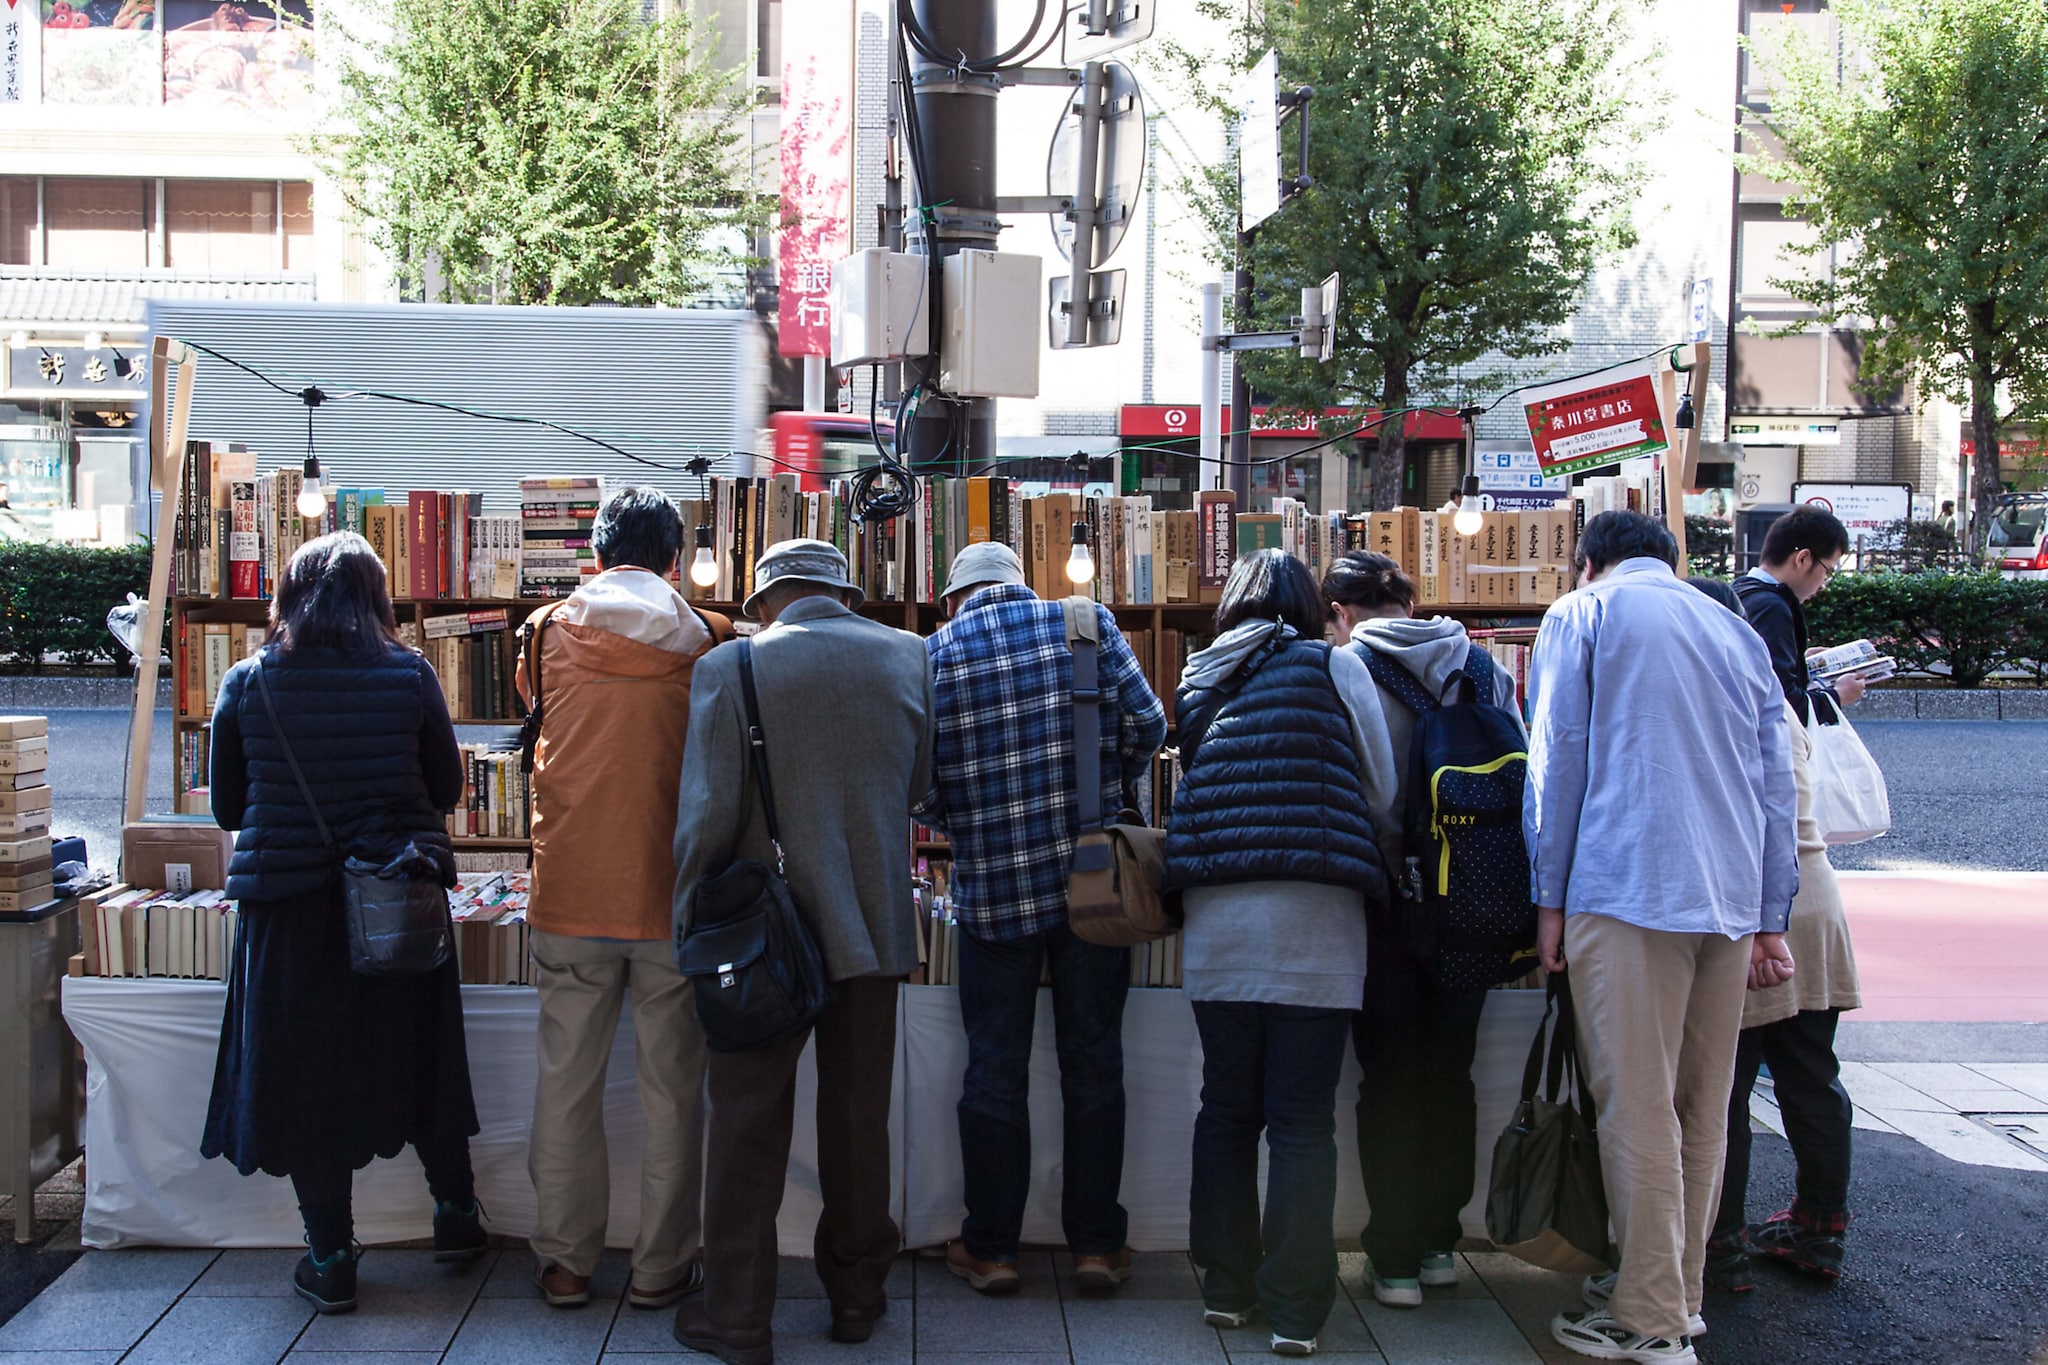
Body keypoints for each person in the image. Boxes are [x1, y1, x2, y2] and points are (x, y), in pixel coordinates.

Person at [1525, 512, 1797, 1365]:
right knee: (1699, 1106)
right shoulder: (1732, 625)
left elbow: (1558, 757)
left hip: (1625, 881)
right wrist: (1768, 914)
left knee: (1634, 1104)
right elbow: (1776, 777)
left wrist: (1548, 897)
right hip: (1726, 896)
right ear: (1672, 561)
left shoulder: (1585, 612)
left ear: (1589, 560)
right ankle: (1677, 1297)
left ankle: (1648, 1316)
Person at [202, 531, 482, 1314]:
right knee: (420, 1057)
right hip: (396, 898)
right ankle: (456, 1218)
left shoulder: (247, 682)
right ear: (376, 599)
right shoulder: (410, 673)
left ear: (287, 599)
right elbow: (447, 787)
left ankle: (331, 1257)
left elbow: (229, 807)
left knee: (307, 1083)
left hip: (290, 914)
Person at [669, 539, 934, 1365]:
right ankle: (857, 1297)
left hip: (761, 938)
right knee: (858, 1122)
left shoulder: (731, 669)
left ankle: (739, 1317)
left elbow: (708, 818)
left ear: (766, 600)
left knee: (746, 1123)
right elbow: (917, 786)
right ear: (844, 594)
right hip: (875, 928)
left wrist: (688, 919)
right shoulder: (911, 656)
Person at [914, 542, 1166, 1298]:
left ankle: (992, 1247)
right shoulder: (1085, 622)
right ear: (1021, 587)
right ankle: (1095, 1246)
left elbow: (918, 788)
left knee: (994, 1069)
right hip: (1094, 876)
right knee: (1095, 1061)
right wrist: (1103, 782)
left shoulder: (935, 653)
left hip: (993, 884)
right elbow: (1150, 726)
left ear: (957, 597)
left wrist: (968, 815)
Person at [1164, 549, 1398, 1360]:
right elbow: (1380, 789)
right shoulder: (1337, 667)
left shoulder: (1198, 676)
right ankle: (1297, 1311)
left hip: (1219, 920)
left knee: (1226, 1109)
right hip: (1317, 921)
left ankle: (1225, 1291)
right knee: (1302, 1120)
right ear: (1312, 604)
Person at [518, 488, 732, 1312]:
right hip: (671, 894)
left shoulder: (545, 634)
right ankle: (661, 1267)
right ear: (677, 562)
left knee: (565, 1083)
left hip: (570, 890)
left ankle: (568, 1263)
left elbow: (534, 717)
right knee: (675, 1091)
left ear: (597, 557)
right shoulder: (711, 642)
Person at [1323, 551, 1524, 1309]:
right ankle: (1440, 1242)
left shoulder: (1347, 668)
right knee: (1451, 1073)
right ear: (1411, 601)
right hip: (1477, 896)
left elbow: (1359, 791)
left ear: (1341, 611)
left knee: (1390, 1080)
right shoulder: (1479, 663)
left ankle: (1395, 1256)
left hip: (1388, 904)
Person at [1698, 586, 1863, 1290]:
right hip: (1817, 893)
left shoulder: (1720, 702)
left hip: (1760, 907)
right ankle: (1820, 1229)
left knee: (1724, 1090)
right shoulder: (1774, 695)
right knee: (1812, 1078)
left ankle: (1722, 1245)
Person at [1733, 506, 1863, 722]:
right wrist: (1838, 695)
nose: (1823, 584)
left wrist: (1801, 663)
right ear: (1802, 559)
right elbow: (1784, 704)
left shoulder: (1741, 590)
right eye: (1827, 571)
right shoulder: (1772, 607)